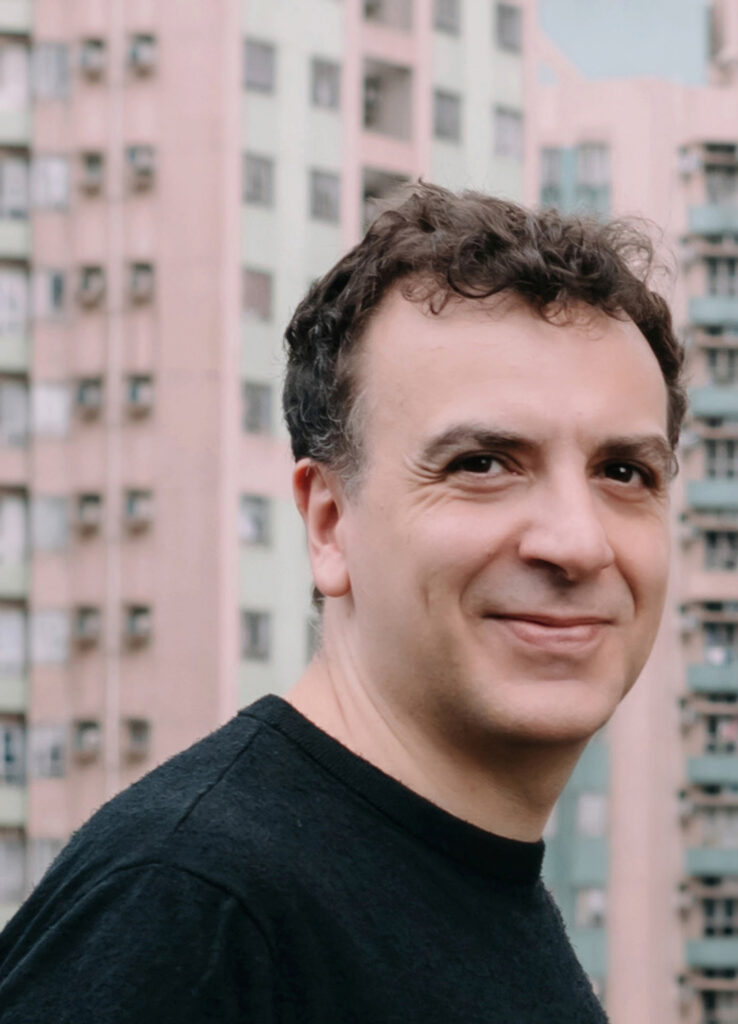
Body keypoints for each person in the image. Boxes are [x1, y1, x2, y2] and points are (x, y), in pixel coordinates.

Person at [0, 184, 685, 1021]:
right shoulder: (196, 908)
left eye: (624, 473)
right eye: (481, 464)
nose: (576, 544)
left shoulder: (470, 884)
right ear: (329, 524)